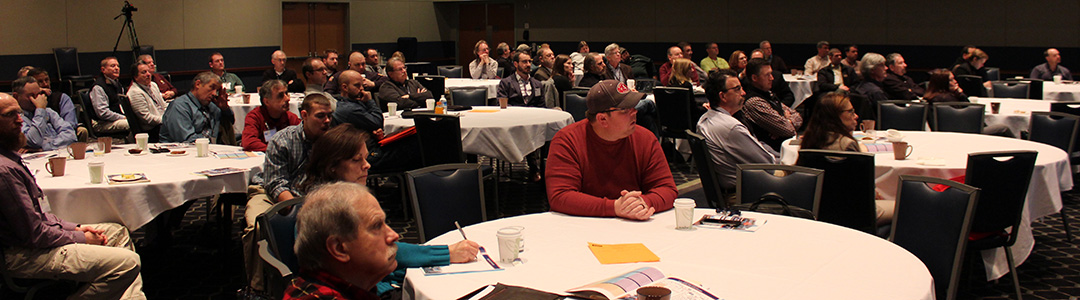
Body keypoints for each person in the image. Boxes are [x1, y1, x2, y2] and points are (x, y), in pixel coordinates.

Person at [290, 126, 479, 297]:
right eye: (357, 160)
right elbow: (382, 254)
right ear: (332, 167)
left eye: (366, 157)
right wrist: (443, 254)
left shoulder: (351, 201)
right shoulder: (318, 216)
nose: (367, 165)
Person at [0, 92, 145, 299]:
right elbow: (33, 233)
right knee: (127, 264)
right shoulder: (4, 171)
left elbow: (40, 213)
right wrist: (80, 237)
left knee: (118, 232)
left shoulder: (10, 159)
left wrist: (75, 227)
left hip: (36, 241)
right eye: (9, 114)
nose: (20, 119)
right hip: (23, 254)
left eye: (19, 112)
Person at [546, 80, 677, 220]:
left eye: (633, 106)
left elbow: (667, 189)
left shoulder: (645, 139)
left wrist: (643, 202)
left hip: (633, 226)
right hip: (581, 225)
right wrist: (614, 207)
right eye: (626, 110)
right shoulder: (567, 140)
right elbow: (560, 196)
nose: (635, 112)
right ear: (602, 119)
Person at [244, 94, 333, 291]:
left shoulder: (330, 141)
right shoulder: (283, 139)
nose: (327, 121)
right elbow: (275, 182)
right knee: (259, 228)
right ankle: (258, 288)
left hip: (310, 196)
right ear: (304, 115)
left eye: (329, 116)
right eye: (320, 116)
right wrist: (296, 210)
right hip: (269, 191)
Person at [799, 92, 892, 226]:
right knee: (904, 206)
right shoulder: (847, 144)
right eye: (850, 112)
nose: (856, 116)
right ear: (835, 116)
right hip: (857, 214)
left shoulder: (809, 140)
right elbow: (861, 191)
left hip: (819, 212)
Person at [697, 70, 778, 207]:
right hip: (745, 194)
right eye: (737, 89)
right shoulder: (731, 128)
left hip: (731, 190)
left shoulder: (705, 119)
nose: (744, 93)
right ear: (723, 96)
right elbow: (769, 164)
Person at [740, 58, 802, 151]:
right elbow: (788, 130)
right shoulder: (754, 102)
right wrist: (786, 120)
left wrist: (783, 122)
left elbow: (798, 116)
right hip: (773, 153)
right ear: (754, 78)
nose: (772, 78)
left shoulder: (768, 94)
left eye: (771, 74)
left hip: (784, 145)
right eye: (767, 75)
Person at [159, 71, 234, 143]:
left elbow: (230, 123)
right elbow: (187, 139)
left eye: (216, 90)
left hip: (208, 149)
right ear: (198, 84)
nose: (214, 93)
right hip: (179, 152)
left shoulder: (212, 105)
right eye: (211, 87)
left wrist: (224, 109)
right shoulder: (179, 107)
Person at [12, 77, 75, 151]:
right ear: (16, 97)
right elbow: (34, 141)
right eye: (31, 96)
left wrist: (44, 148)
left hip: (57, 153)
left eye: (38, 94)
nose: (37, 99)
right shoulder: (15, 118)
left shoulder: (48, 111)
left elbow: (71, 135)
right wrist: (40, 110)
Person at [26, 68, 85, 142]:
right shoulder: (27, 104)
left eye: (47, 80)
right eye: (40, 82)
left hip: (59, 136)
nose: (45, 84)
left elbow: (70, 125)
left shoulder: (61, 98)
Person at [241, 79, 299, 152]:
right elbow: (249, 142)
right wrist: (276, 150)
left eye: (286, 93)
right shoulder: (255, 117)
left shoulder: (290, 117)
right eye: (280, 95)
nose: (287, 98)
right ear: (267, 102)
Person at [126, 62, 167, 140]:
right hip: (153, 130)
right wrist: (166, 120)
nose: (148, 74)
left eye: (148, 71)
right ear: (135, 77)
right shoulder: (135, 93)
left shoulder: (153, 85)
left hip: (162, 122)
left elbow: (163, 105)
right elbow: (147, 118)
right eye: (144, 72)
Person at [89, 57, 130, 133]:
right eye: (113, 66)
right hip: (102, 123)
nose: (117, 68)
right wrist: (123, 117)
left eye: (118, 66)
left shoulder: (118, 84)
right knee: (132, 124)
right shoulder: (98, 87)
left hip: (117, 119)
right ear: (103, 70)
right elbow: (103, 113)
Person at [852, 53, 889, 130]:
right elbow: (888, 116)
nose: (886, 68)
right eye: (882, 65)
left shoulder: (860, 87)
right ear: (872, 70)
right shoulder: (876, 92)